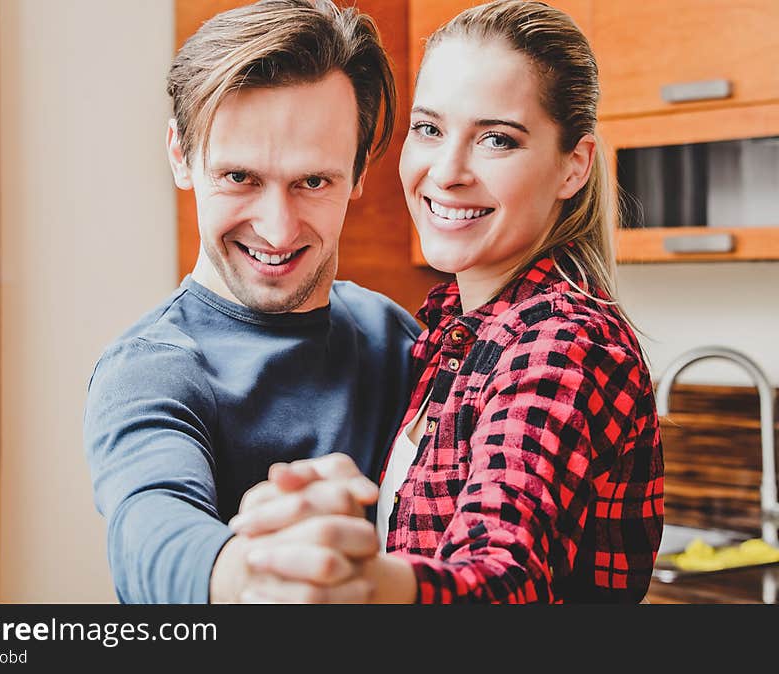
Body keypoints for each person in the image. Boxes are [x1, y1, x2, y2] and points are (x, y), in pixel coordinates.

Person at [229, 0, 665, 603]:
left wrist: (367, 584)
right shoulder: (450, 334)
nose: (447, 171)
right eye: (430, 129)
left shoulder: (560, 342)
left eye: (496, 139)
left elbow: (504, 573)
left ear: (574, 167)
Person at [82, 0, 422, 604]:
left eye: (313, 181)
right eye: (240, 178)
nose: (277, 228)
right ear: (180, 155)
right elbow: (150, 527)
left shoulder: (395, 335)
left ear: (359, 169)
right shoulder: (149, 369)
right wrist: (254, 576)